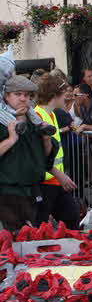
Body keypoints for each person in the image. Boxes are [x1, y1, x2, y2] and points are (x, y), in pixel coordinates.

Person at [0, 76, 56, 231]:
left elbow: (47, 157)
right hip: (8, 193)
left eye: (26, 95)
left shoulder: (35, 121)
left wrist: (46, 140)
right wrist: (11, 139)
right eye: (18, 94)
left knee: (34, 240)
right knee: (15, 241)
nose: (23, 99)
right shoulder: (2, 122)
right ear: (6, 96)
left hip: (34, 191)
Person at [34, 74, 80, 229]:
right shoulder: (37, 117)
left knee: (72, 217)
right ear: (54, 96)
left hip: (56, 180)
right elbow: (39, 153)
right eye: (64, 94)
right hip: (44, 182)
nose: (67, 98)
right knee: (39, 224)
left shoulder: (51, 114)